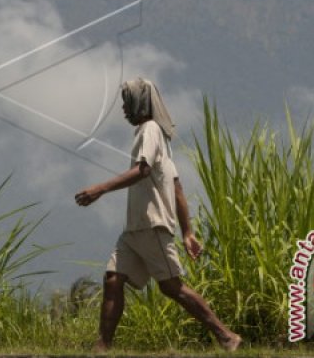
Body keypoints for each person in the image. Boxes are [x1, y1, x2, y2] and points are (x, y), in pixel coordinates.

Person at [75, 78, 241, 352]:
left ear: (141, 103)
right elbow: (176, 187)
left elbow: (143, 170)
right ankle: (102, 347)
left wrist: (100, 189)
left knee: (171, 287)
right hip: (134, 229)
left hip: (152, 225)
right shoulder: (158, 138)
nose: (124, 109)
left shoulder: (150, 130)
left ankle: (225, 335)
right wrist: (187, 232)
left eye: (128, 102)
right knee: (113, 279)